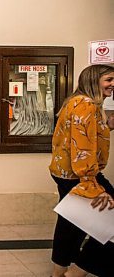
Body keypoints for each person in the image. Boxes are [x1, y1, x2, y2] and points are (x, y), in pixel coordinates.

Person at [48, 64, 114, 277]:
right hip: (81, 174)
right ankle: (77, 272)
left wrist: (108, 125)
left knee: (71, 224)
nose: (113, 84)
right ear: (94, 80)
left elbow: (83, 134)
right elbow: (82, 145)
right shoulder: (86, 105)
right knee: (109, 222)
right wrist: (91, 184)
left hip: (66, 172)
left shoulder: (76, 101)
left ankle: (59, 272)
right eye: (109, 80)